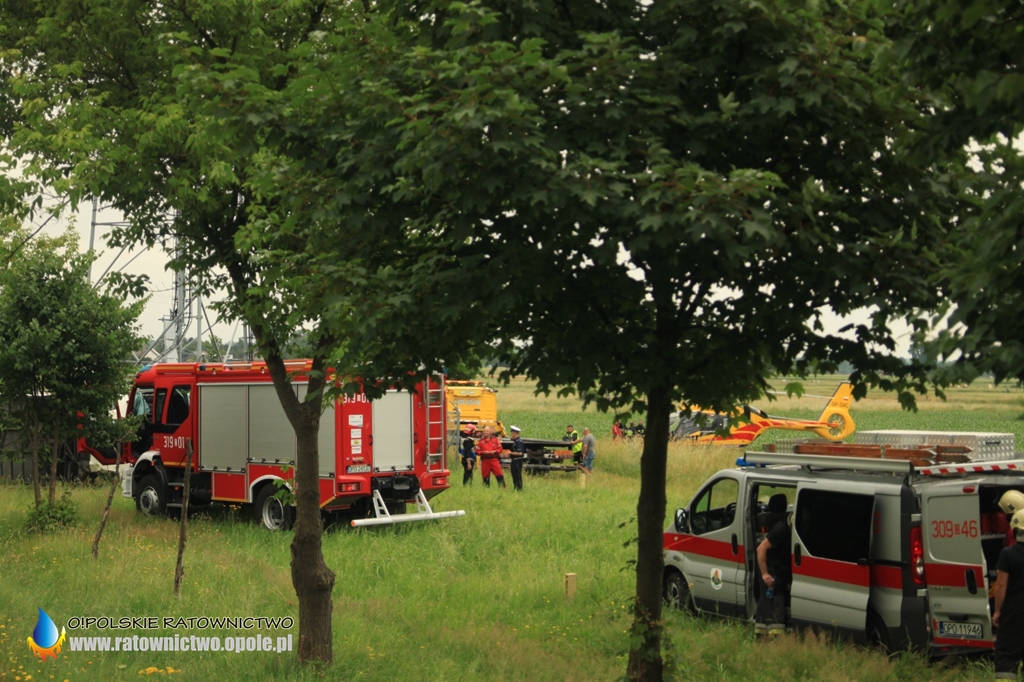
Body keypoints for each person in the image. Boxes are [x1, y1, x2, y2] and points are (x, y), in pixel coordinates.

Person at [993, 509, 1024, 679]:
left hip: (1015, 613)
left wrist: (998, 611)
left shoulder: (1008, 554)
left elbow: (1001, 585)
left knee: (1006, 654)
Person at [755, 493, 791, 635]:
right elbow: (761, 548)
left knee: (765, 600)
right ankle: (776, 637)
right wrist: (765, 574)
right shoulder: (782, 527)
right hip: (772, 570)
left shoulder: (774, 521)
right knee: (776, 600)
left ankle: (760, 634)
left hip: (775, 568)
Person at [508, 425, 526, 491]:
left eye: (512, 433)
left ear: (515, 433)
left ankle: (519, 488)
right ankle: (516, 488)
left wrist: (511, 453)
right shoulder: (515, 441)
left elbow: (520, 453)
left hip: (517, 461)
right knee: (514, 475)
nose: (511, 434)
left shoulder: (519, 442)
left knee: (517, 475)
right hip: (514, 460)